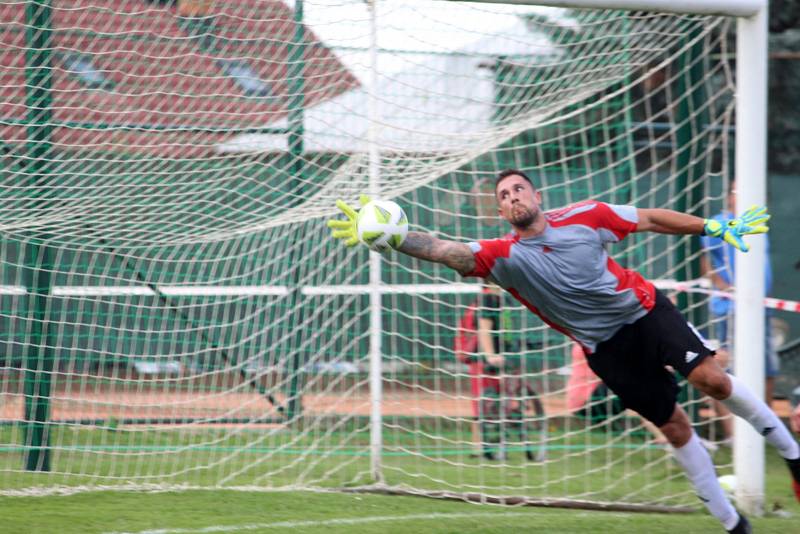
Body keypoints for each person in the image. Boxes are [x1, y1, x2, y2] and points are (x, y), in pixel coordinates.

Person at [328, 169, 800, 533]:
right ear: (501, 212)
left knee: (712, 380)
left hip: (645, 311)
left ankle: (793, 456)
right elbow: (440, 248)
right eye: (504, 196)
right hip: (605, 349)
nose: (513, 197)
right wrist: (392, 238)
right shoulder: (502, 256)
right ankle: (732, 523)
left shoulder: (588, 215)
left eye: (519, 190)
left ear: (538, 197)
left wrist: (714, 228)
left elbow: (652, 219)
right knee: (674, 425)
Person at [700, 181, 779, 405]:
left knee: (767, 366)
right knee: (727, 367)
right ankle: (731, 432)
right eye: (738, 191)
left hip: (761, 308)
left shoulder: (757, 224)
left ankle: (765, 425)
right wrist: (726, 288)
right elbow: (706, 262)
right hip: (730, 308)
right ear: (729, 196)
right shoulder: (718, 223)